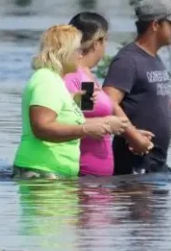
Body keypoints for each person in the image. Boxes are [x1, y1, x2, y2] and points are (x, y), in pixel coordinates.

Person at [12, 24, 131, 179]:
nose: (81, 55)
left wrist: (73, 100)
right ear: (64, 52)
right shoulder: (47, 80)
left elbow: (58, 114)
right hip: (42, 172)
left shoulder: (56, 81)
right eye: (78, 50)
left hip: (53, 174)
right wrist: (86, 129)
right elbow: (41, 128)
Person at [102, 0, 171, 175]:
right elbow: (107, 101)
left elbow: (146, 101)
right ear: (155, 25)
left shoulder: (153, 58)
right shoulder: (128, 60)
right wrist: (133, 135)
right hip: (134, 161)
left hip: (154, 161)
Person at [64, 12, 154, 177]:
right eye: (105, 40)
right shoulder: (76, 76)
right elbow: (71, 121)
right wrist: (119, 129)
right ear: (96, 43)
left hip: (96, 180)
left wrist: (131, 133)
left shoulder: (87, 77)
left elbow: (88, 114)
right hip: (84, 176)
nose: (106, 46)